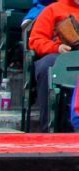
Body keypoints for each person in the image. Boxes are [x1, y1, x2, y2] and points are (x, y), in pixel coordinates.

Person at [28, 0, 79, 130]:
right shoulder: (53, 9)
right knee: (47, 66)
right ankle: (49, 127)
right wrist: (57, 48)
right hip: (61, 55)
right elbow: (35, 40)